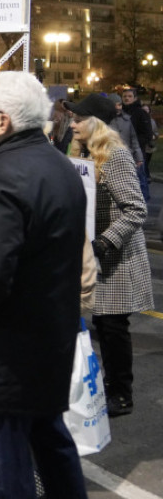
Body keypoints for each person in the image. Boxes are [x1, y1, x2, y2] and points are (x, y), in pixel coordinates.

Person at [0, 71, 89, 499]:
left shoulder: (6, 174)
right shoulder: (57, 165)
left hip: (7, 347)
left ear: (4, 121)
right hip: (48, 337)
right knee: (51, 443)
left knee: (8, 461)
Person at [65, 94, 154, 418]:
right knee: (101, 325)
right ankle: (105, 384)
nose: (71, 123)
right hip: (95, 252)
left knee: (113, 327)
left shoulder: (115, 156)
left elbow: (135, 209)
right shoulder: (83, 153)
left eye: (77, 118)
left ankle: (121, 392)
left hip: (117, 256)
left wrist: (104, 242)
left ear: (95, 123)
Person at [121, 87, 153, 202]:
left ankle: (143, 202)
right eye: (125, 96)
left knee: (140, 179)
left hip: (137, 152)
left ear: (135, 98)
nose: (127, 98)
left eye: (129, 96)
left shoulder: (141, 113)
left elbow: (147, 134)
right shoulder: (120, 112)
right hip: (122, 151)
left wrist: (134, 143)